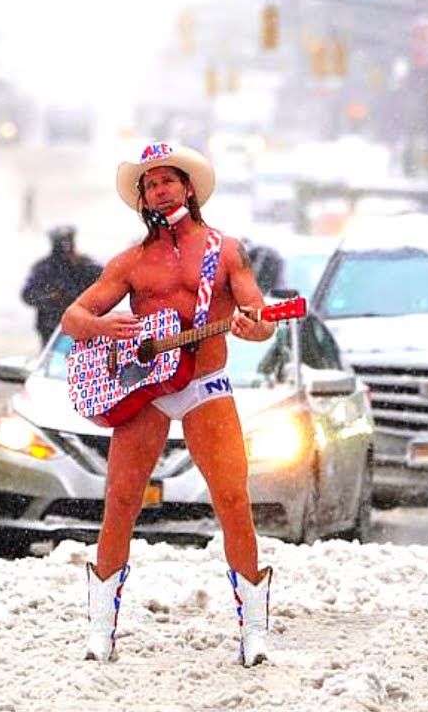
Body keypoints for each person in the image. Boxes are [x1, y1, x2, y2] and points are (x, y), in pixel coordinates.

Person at [60, 143, 277, 666]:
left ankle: (254, 634)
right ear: (143, 198)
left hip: (205, 383)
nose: (159, 189)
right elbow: (73, 317)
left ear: (187, 187)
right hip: (148, 389)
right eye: (150, 183)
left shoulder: (225, 250)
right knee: (120, 502)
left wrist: (255, 326)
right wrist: (100, 325)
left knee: (232, 500)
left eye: (167, 180)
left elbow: (261, 317)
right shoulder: (131, 261)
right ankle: (100, 630)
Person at [20, 224, 102, 347]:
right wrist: (50, 297)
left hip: (82, 328)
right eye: (62, 243)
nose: (66, 248)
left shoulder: (85, 266)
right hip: (51, 328)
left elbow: (106, 286)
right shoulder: (43, 268)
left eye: (68, 242)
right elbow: (27, 295)